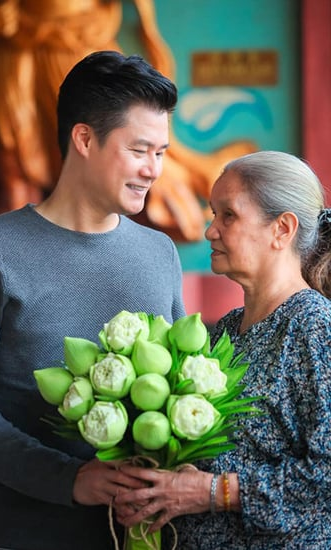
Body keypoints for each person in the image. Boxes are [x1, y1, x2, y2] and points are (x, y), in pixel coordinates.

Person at [0, 50, 186, 550]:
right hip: (22, 535)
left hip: (144, 536)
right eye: (139, 150)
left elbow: (179, 386)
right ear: (85, 139)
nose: (154, 169)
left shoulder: (160, 252)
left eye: (162, 152)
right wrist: (70, 479)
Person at [115, 150, 331, 549]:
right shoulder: (227, 330)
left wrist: (214, 492)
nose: (210, 230)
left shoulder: (314, 328)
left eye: (227, 215)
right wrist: (153, 486)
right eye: (213, 213)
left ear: (282, 229)